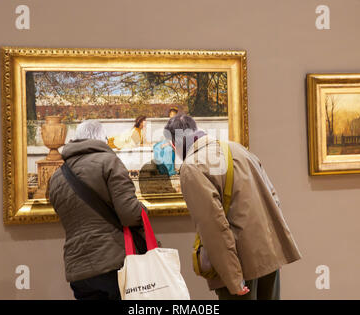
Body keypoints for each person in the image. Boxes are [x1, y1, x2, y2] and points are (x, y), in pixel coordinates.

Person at [163, 115, 302, 300]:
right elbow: (273, 198)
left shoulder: (192, 166)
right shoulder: (238, 150)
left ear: (174, 145)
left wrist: (233, 278)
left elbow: (213, 227)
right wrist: (274, 252)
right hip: (269, 258)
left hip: (240, 265)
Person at [48, 120, 146, 300]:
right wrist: (143, 210)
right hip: (113, 263)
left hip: (78, 269)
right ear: (103, 138)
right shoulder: (109, 162)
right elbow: (130, 215)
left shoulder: (56, 177)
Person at [153, 107, 179, 176]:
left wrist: (168, 144)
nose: (172, 116)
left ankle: (168, 170)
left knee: (168, 150)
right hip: (167, 141)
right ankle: (162, 169)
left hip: (174, 143)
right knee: (157, 148)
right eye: (171, 114)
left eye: (174, 114)